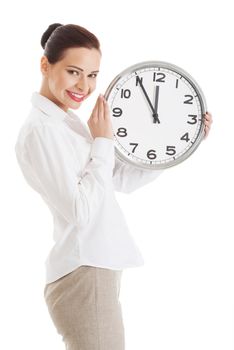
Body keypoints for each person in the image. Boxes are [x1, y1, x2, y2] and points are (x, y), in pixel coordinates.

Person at [14, 23, 213, 350]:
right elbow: (81, 211)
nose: (85, 85)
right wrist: (104, 142)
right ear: (45, 65)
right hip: (84, 273)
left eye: (92, 75)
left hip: (94, 269)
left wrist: (186, 142)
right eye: (74, 72)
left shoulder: (65, 123)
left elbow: (117, 180)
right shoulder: (42, 131)